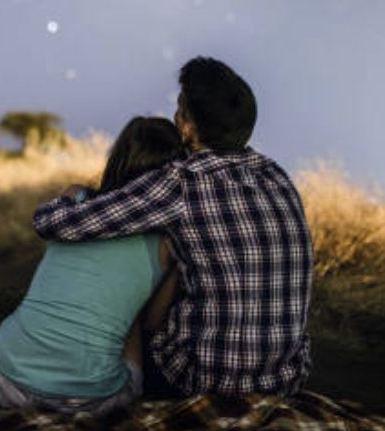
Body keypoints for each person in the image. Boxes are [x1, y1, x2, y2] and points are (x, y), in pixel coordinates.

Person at [34, 57, 314, 398]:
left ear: (188, 129)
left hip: (203, 380)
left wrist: (69, 198)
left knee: (137, 312)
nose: (175, 116)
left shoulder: (181, 182)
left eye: (180, 109)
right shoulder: (278, 176)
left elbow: (53, 223)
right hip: (283, 379)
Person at [0, 117, 185, 415]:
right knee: (131, 314)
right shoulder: (168, 245)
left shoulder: (74, 197)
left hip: (3, 376)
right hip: (87, 399)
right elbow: (152, 324)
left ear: (118, 158)